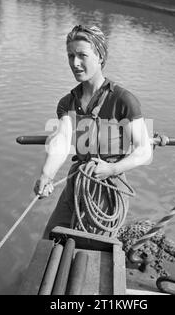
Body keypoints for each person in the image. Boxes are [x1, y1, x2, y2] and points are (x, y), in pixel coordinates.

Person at [34, 25, 152, 237]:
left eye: (82, 55)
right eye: (70, 56)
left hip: (108, 189)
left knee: (90, 249)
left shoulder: (123, 100)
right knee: (51, 239)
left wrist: (111, 169)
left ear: (100, 57)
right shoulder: (67, 102)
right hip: (76, 183)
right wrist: (46, 175)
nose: (75, 63)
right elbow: (61, 141)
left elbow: (144, 151)